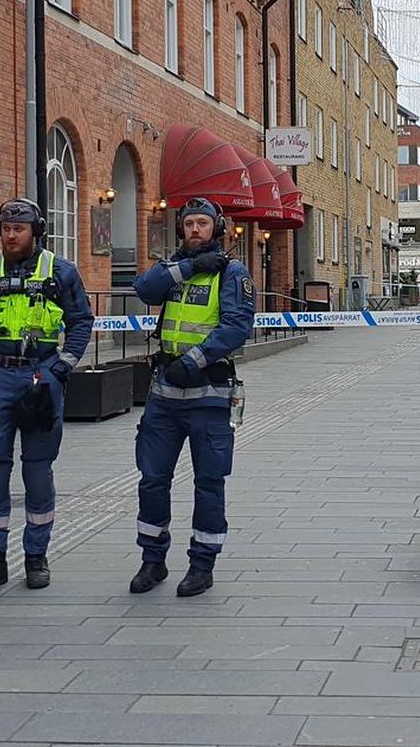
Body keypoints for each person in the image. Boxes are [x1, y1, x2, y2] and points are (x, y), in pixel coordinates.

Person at [0, 197, 93, 594]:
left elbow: (80, 321)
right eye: (6, 228)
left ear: (35, 231)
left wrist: (63, 367)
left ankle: (36, 557)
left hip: (42, 374)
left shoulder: (60, 273)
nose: (11, 235)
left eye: (19, 228)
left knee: (38, 470)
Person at [128, 196, 255, 597]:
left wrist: (196, 359)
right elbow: (144, 289)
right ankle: (153, 560)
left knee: (209, 483)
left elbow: (236, 327)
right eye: (189, 224)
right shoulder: (173, 270)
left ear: (217, 228)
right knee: (152, 480)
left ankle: (202, 564)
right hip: (164, 397)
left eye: (203, 223)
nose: (195, 230)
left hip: (209, 396)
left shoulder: (231, 273)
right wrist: (187, 267)